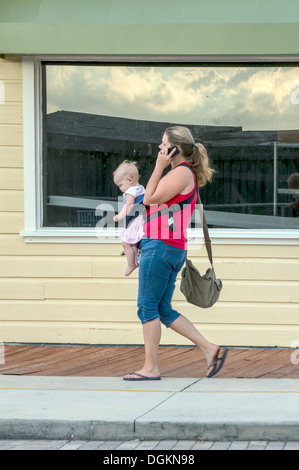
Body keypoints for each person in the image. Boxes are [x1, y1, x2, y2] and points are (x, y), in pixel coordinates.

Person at [123, 126, 228, 381]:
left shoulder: (180, 172)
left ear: (175, 149)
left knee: (146, 308)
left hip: (161, 246)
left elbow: (148, 197)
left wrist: (159, 166)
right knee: (162, 309)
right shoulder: (182, 173)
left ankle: (150, 368)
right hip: (168, 246)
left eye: (163, 144)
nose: (160, 148)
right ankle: (210, 349)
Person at [113, 160, 145, 276]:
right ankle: (135, 261)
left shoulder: (130, 191)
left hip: (136, 220)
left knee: (126, 243)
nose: (120, 189)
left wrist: (119, 216)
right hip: (141, 218)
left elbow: (129, 205)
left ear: (130, 180)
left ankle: (132, 264)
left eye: (121, 185)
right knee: (133, 244)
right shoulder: (141, 188)